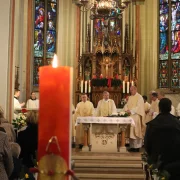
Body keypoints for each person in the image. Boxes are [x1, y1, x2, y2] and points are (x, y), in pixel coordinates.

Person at [144, 98, 180, 180]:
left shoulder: (152, 124)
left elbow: (147, 145)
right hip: (176, 160)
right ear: (170, 108)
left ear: (159, 108)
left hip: (158, 160)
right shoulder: (177, 123)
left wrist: (153, 156)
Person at [123, 86, 145, 152]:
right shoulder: (130, 97)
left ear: (135, 89)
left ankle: (137, 147)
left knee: (136, 132)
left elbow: (139, 107)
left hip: (136, 116)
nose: (131, 91)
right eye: (130, 90)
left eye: (132, 90)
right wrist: (126, 110)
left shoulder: (139, 97)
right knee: (131, 132)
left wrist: (131, 111)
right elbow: (126, 105)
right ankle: (132, 146)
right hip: (130, 117)